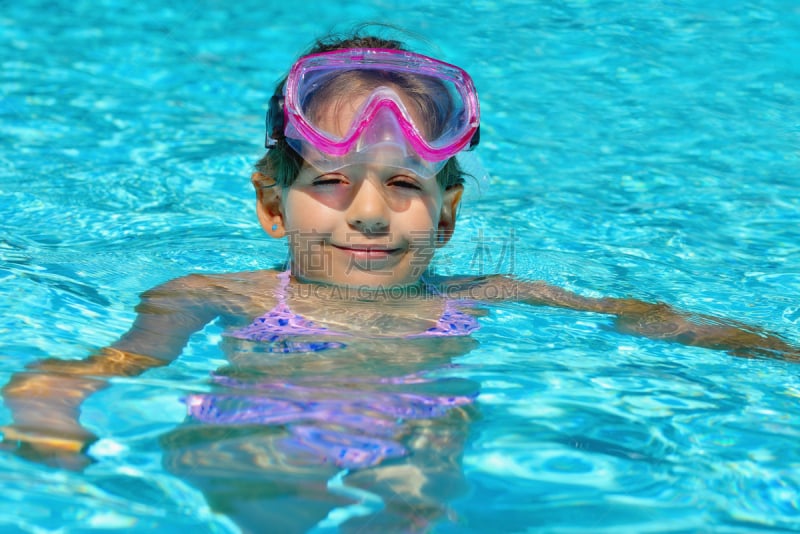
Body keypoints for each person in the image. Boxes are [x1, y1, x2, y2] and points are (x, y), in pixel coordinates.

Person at [2, 30, 798, 533]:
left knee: (423, 478)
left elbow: (644, 316)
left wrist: (764, 350)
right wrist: (48, 406)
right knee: (253, 477)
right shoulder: (220, 294)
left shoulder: (480, 294)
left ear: (447, 213)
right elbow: (110, 364)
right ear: (271, 205)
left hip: (411, 451)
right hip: (263, 447)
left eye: (407, 187)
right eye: (331, 183)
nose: (372, 216)